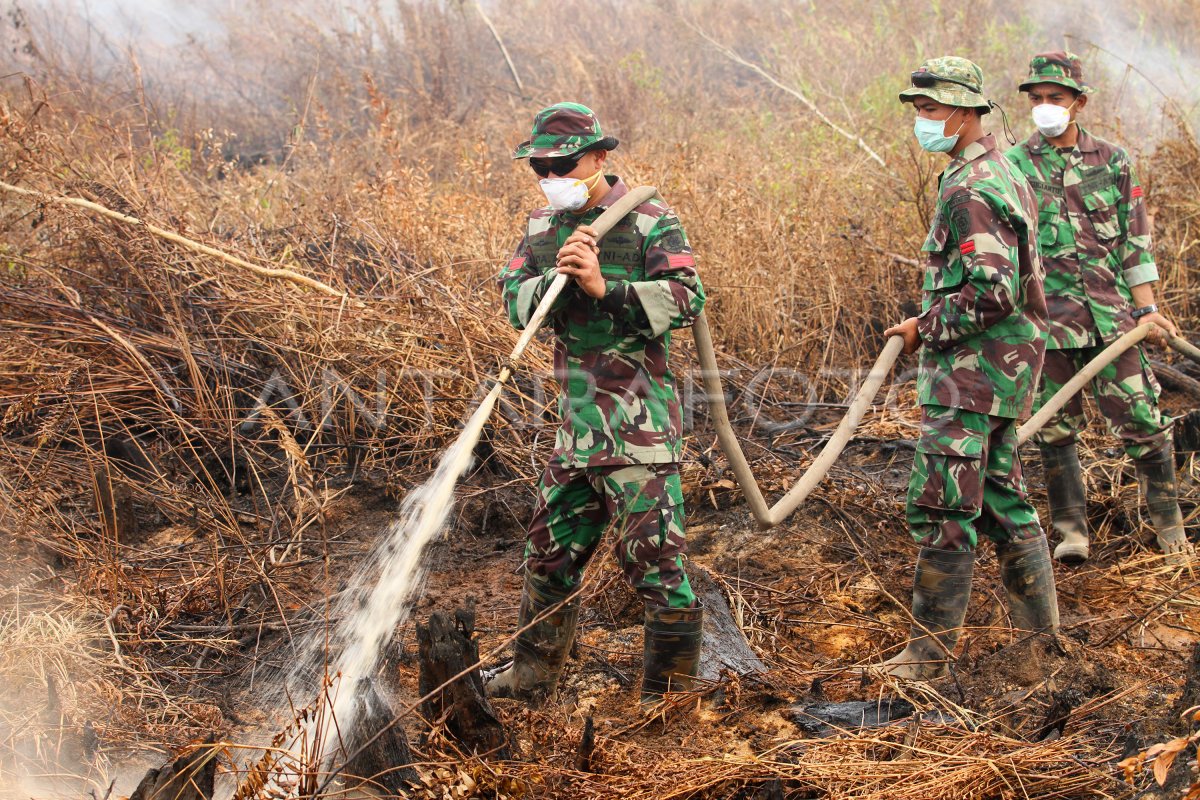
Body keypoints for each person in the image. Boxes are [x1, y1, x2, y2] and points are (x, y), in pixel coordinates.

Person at [489, 102, 706, 707]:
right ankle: (531, 679)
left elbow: (688, 299)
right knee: (547, 553)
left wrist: (603, 289)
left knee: (655, 564)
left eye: (564, 164)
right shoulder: (540, 228)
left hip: (639, 428)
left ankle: (668, 699)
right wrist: (550, 287)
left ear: (600, 158)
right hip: (576, 432)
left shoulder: (650, 220)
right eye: (541, 167)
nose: (551, 176)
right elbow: (513, 299)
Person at [882, 58, 1058, 680]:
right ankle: (1044, 645)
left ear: (964, 111)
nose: (922, 122)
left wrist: (920, 328)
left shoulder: (970, 188)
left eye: (930, 111)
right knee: (1001, 497)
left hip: (973, 373)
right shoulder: (1003, 168)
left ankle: (928, 655)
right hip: (1003, 370)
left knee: (946, 503)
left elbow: (992, 291)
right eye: (918, 111)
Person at [1006, 51, 1193, 565]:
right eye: (1037, 99)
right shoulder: (1015, 166)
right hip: (1049, 326)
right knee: (1055, 429)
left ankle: (1170, 530)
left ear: (1079, 103)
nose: (1045, 106)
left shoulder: (1112, 161)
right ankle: (1071, 534)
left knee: (1143, 420)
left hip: (1115, 324)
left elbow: (1136, 242)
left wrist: (1148, 309)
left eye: (1055, 98)